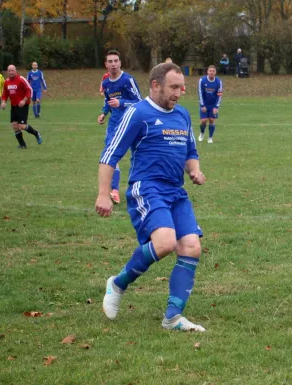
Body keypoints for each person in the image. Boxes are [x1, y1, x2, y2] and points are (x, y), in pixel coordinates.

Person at [96, 62, 207, 332]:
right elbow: (110, 156)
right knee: (166, 242)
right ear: (155, 85)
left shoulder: (182, 115)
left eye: (181, 87)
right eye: (173, 87)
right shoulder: (137, 113)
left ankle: (172, 318)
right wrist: (103, 193)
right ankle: (117, 284)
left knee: (191, 247)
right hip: (147, 188)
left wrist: (195, 171)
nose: (179, 93)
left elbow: (190, 151)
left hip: (175, 191)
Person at [97, 50, 142, 205]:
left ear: (120, 63)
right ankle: (114, 190)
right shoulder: (106, 83)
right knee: (111, 155)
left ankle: (141, 188)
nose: (113, 64)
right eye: (110, 61)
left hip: (130, 123)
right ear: (106, 64)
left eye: (116, 61)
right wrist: (104, 113)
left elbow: (139, 102)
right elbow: (108, 101)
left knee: (138, 156)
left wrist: (121, 103)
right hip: (114, 124)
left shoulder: (128, 80)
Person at [1, 65, 42, 149]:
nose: (11, 72)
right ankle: (22, 145)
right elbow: (5, 93)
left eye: (12, 70)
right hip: (14, 106)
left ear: (16, 71)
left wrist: (24, 100)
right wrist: (3, 101)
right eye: (9, 71)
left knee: (22, 126)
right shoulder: (7, 82)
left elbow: (29, 90)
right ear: (7, 72)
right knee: (15, 125)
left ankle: (36, 133)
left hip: (23, 105)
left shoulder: (21, 79)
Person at [197, 65, 223, 144]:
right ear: (207, 72)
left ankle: (210, 137)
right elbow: (200, 93)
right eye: (210, 71)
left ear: (215, 72)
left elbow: (219, 95)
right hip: (204, 104)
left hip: (213, 105)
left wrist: (216, 107)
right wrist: (202, 105)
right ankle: (202, 133)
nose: (211, 72)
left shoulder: (218, 82)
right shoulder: (202, 80)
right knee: (203, 121)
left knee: (211, 120)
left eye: (213, 71)